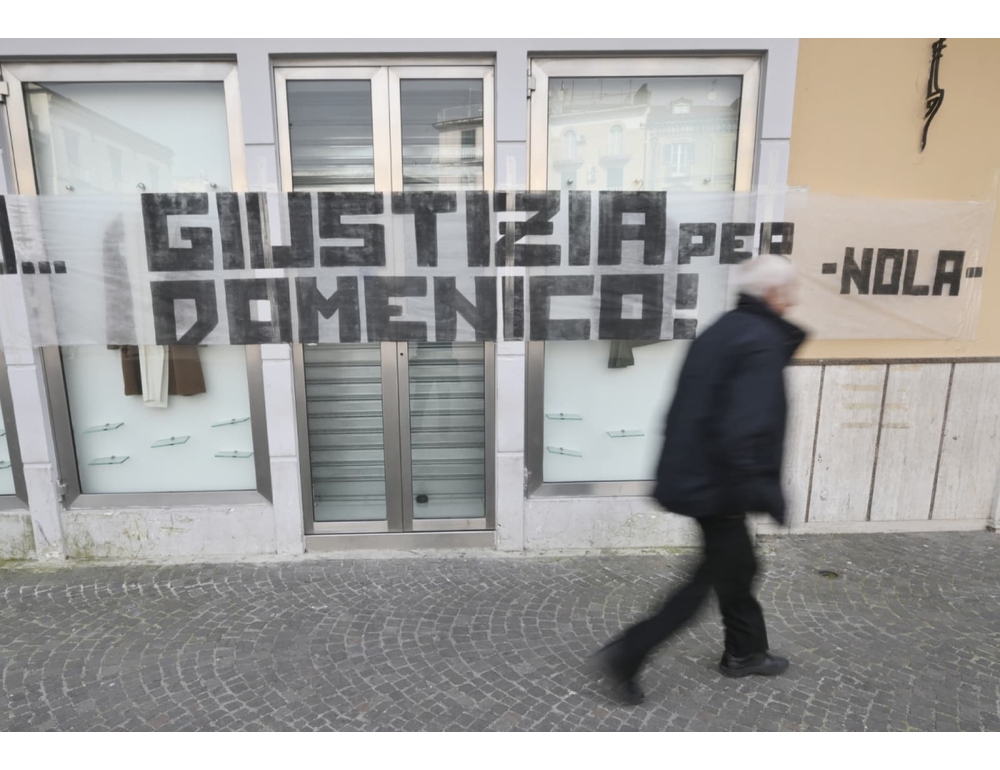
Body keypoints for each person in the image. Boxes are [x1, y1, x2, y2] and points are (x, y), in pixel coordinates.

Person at [593, 254, 807, 706]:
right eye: (790, 289)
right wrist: (742, 492)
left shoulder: (725, 329)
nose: (794, 297)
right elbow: (746, 426)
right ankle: (629, 653)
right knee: (707, 579)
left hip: (700, 477)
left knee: (739, 567)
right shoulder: (759, 339)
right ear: (772, 293)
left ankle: (745, 652)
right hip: (719, 486)